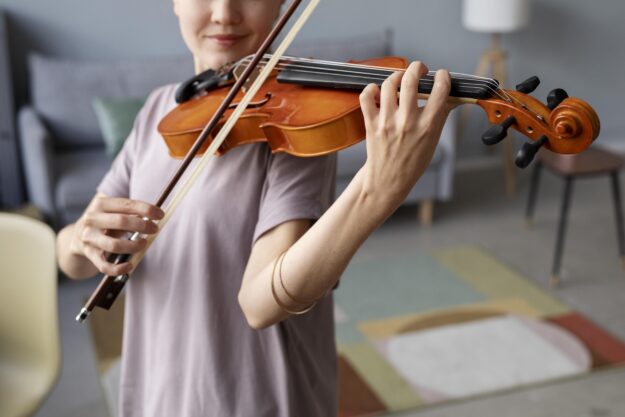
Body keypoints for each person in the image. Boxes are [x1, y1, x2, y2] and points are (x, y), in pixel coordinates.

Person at [56, 0, 453, 416]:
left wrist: (376, 191)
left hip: (256, 399)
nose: (225, 13)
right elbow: (73, 261)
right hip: (158, 392)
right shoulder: (156, 112)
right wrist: (82, 238)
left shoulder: (293, 123)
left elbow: (260, 304)